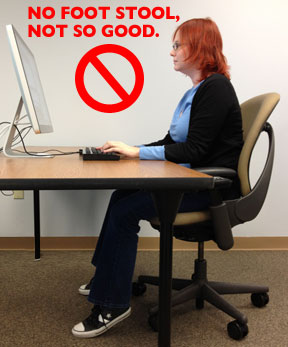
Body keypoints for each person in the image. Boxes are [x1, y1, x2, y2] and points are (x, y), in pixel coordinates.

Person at [72, 17, 243, 338]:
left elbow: (194, 149)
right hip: (189, 178)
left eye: (177, 45)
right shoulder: (197, 91)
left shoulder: (216, 87)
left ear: (199, 47)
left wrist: (137, 154)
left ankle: (112, 303)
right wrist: (130, 149)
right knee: (121, 193)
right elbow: (171, 143)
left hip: (207, 186)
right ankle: (106, 276)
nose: (172, 52)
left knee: (125, 211)